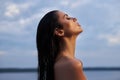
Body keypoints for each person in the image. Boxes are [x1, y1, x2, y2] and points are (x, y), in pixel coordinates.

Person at [36, 10, 86, 80]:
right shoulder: (72, 65)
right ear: (59, 32)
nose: (74, 19)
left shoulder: (56, 65)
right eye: (67, 18)